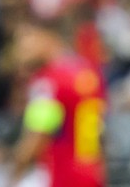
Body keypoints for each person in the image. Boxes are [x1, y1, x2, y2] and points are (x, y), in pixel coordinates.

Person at [10, 18, 106, 187]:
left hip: (61, 176)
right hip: (91, 173)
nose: (20, 49)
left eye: (26, 39)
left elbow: (37, 134)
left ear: (47, 37)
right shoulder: (88, 73)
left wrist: (13, 177)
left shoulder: (50, 81)